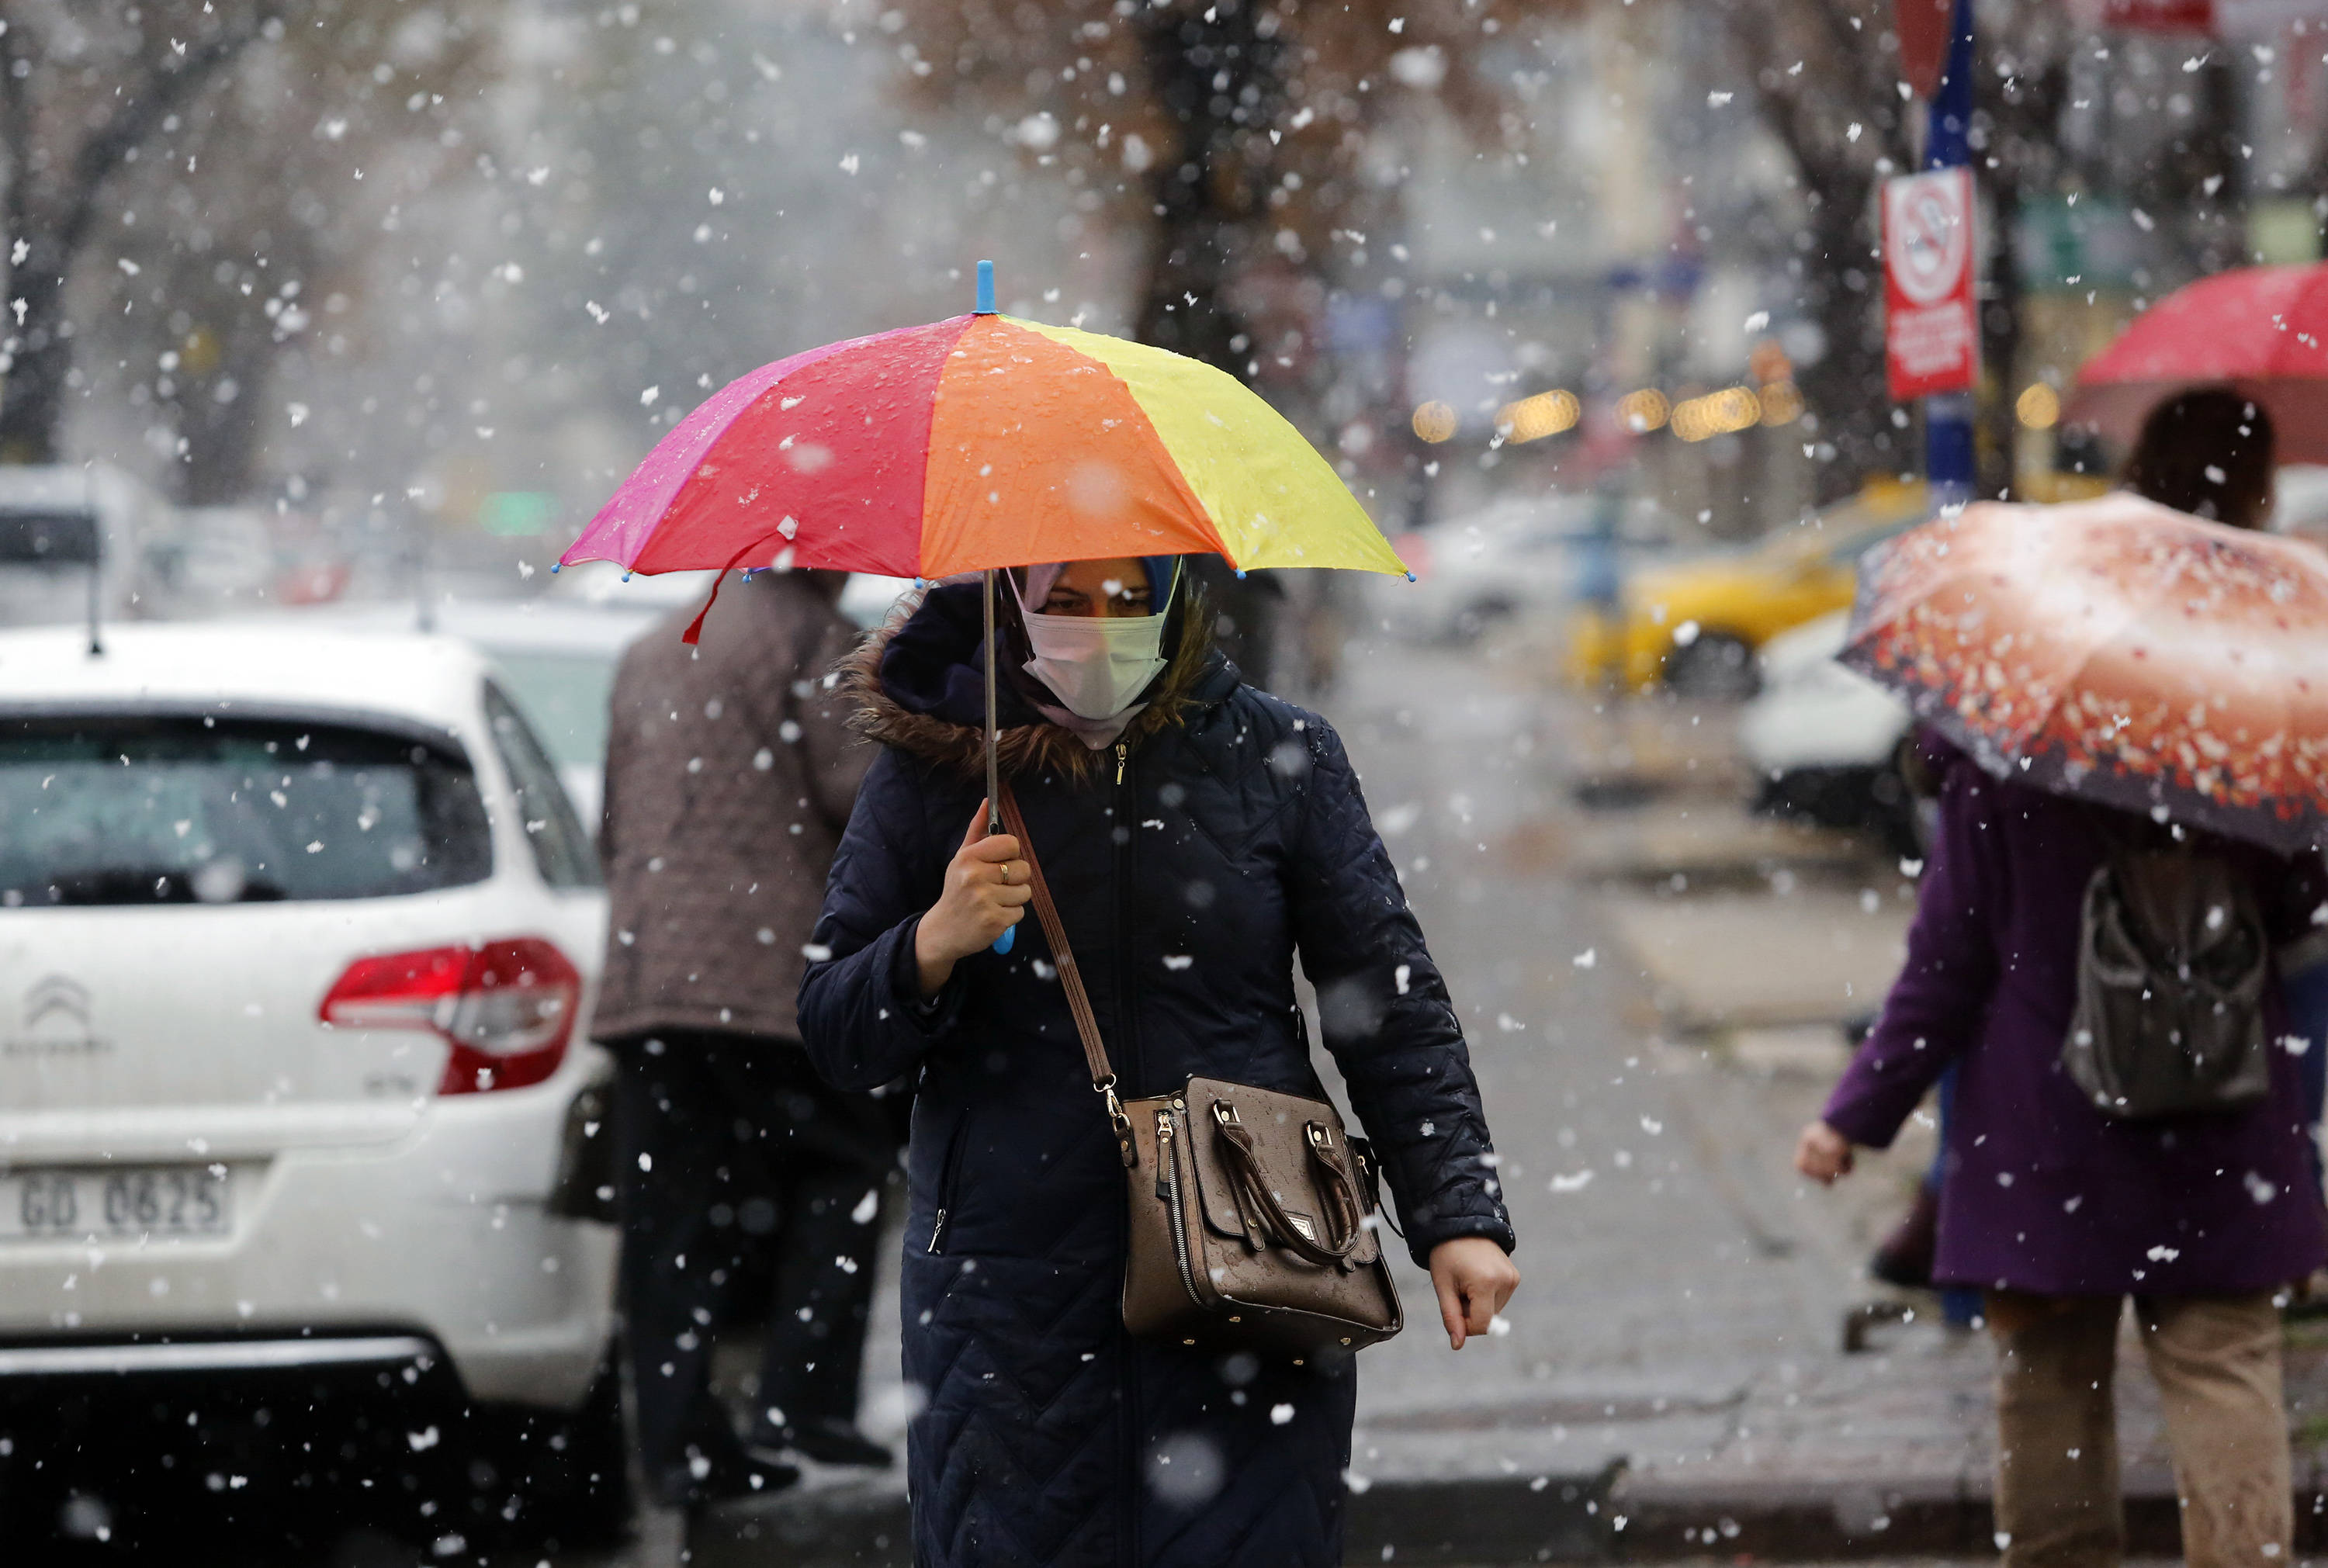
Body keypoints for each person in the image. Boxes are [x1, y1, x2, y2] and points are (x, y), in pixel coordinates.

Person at [799, 556, 1519, 1567]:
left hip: (1255, 1258)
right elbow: (833, 1030)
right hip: (1009, 1300)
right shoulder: (938, 771)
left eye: (1129, 597)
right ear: (1014, 601)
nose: (1101, 629)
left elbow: (1389, 1004)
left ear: (1174, 595)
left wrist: (1459, 1217)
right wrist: (934, 940)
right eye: (1070, 600)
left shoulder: (1280, 752)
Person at [1795, 742, 2328, 1557]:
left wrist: (1856, 1112)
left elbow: (1947, 965)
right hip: (2221, 1115)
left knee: (2049, 1387)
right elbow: (2297, 911)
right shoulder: (2249, 745)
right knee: (2223, 1370)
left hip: (2045, 1128)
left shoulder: (2005, 757)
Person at [594, 566, 893, 1511]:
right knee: (841, 1167)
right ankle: (803, 1407)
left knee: (670, 1220)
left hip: (650, 978)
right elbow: (859, 801)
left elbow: (613, 822)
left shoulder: (652, 648)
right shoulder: (821, 640)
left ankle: (680, 1447)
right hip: (767, 974)